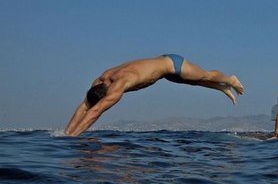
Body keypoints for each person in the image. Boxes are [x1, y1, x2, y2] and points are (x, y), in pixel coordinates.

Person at [65, 54, 244, 136]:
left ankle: (230, 80)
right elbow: (85, 106)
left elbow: (95, 112)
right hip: (164, 72)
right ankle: (221, 88)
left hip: (172, 63)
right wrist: (66, 133)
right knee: (194, 83)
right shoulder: (100, 81)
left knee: (204, 75)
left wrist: (74, 136)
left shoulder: (119, 84)